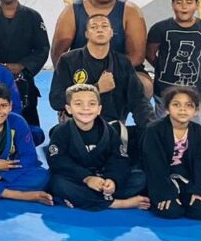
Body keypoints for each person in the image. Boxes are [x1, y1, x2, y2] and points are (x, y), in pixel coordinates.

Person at [50, 0, 152, 97]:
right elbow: (58, 53)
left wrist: (109, 74)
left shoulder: (131, 11)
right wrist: (68, 76)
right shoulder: (72, 11)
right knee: (64, 89)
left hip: (120, 69)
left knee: (145, 85)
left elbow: (137, 56)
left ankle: (129, 110)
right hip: (81, 70)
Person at [50, 14, 153, 143]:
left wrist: (152, 130)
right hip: (78, 126)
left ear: (111, 33)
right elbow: (56, 100)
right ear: (86, 34)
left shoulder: (122, 63)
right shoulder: (68, 60)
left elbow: (139, 101)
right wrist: (97, 88)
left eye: (104, 26)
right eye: (94, 27)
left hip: (112, 128)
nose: (99, 29)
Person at [45, 83, 148, 211]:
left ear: (99, 109)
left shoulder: (109, 131)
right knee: (58, 184)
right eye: (78, 104)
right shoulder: (61, 132)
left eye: (92, 104)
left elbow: (119, 159)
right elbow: (57, 161)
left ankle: (84, 200)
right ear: (69, 109)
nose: (85, 108)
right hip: (78, 179)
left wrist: (112, 180)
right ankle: (116, 203)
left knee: (140, 178)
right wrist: (87, 178)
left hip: (103, 180)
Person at [141, 86, 201, 221]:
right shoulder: (154, 130)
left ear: (196, 111)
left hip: (184, 178)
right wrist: (164, 194)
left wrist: (200, 191)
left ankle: (184, 196)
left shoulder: (198, 132)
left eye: (189, 105)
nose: (183, 109)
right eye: (176, 105)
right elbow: (154, 165)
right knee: (171, 210)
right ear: (167, 109)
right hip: (159, 179)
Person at [146, 0, 201, 116]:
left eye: (189, 2)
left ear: (197, 5)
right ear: (172, 5)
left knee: (195, 126)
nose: (184, 6)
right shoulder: (160, 28)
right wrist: (164, 67)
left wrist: (197, 65)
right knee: (162, 125)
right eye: (179, 2)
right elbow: (150, 53)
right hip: (164, 89)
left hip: (197, 90)